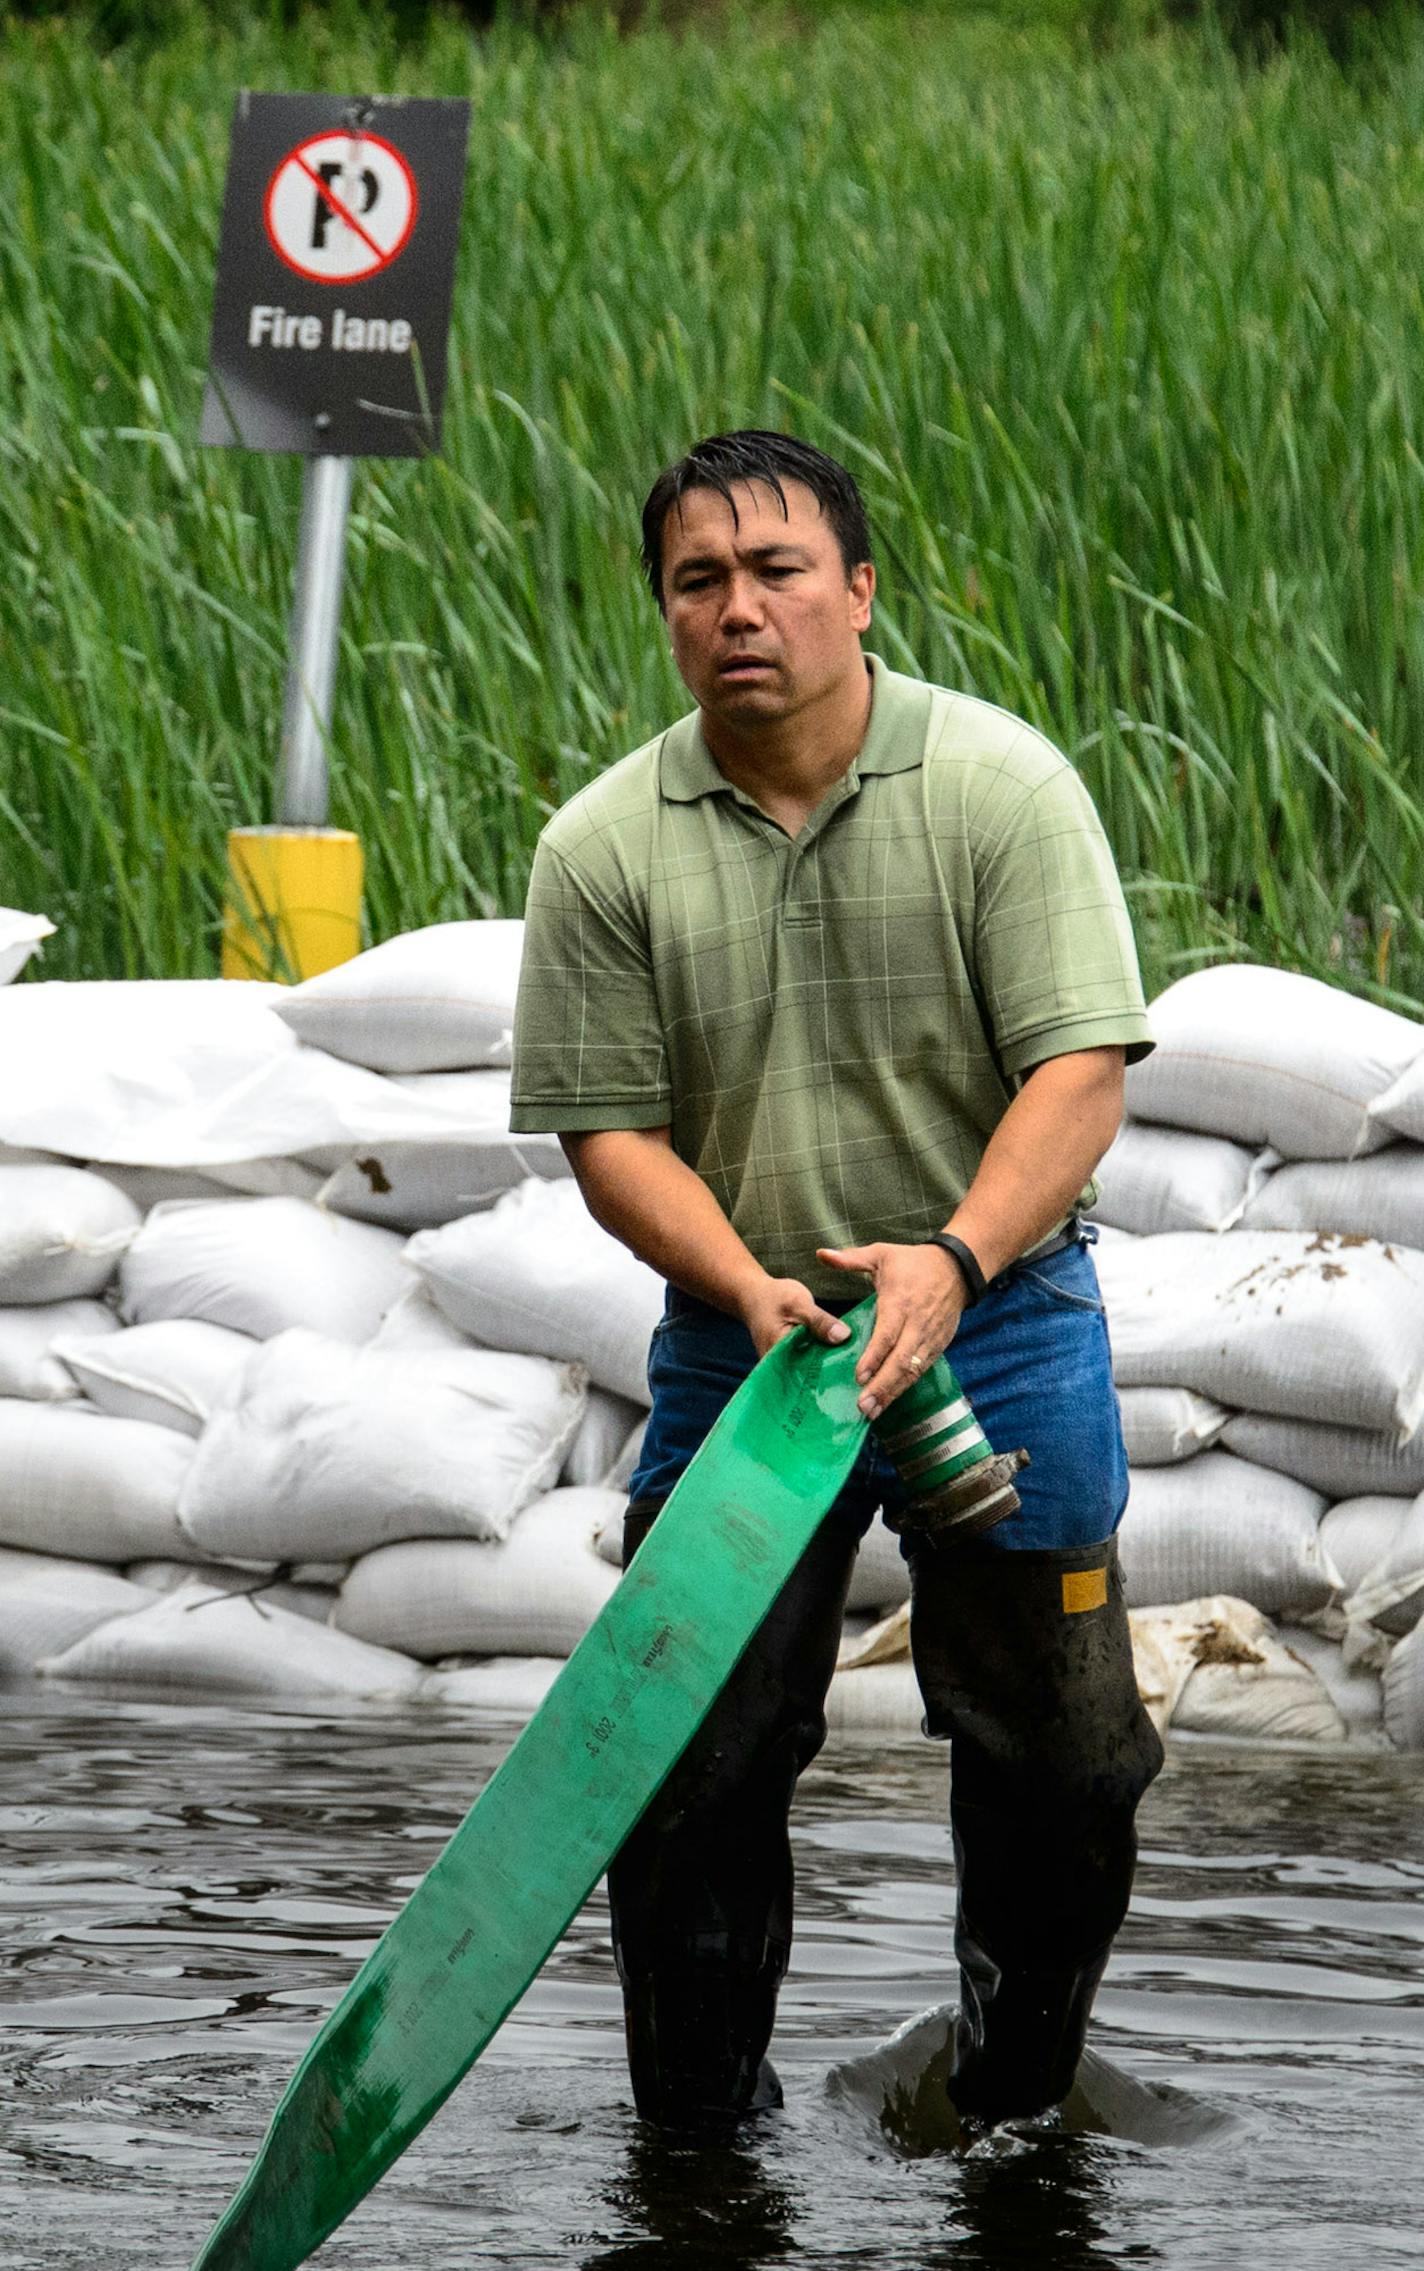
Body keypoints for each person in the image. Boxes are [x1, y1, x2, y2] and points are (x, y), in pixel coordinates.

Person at [509, 429, 1165, 2138]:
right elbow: (610, 1133)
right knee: (689, 1766)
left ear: (860, 593)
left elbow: (1082, 1072)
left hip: (1002, 1320)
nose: (741, 609)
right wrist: (736, 1281)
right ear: (663, 613)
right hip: (757, 1346)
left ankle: (1012, 2106)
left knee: (1067, 1760)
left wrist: (954, 1260)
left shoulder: (1001, 790)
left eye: (779, 571)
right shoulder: (602, 849)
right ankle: (703, 2155)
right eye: (697, 580)